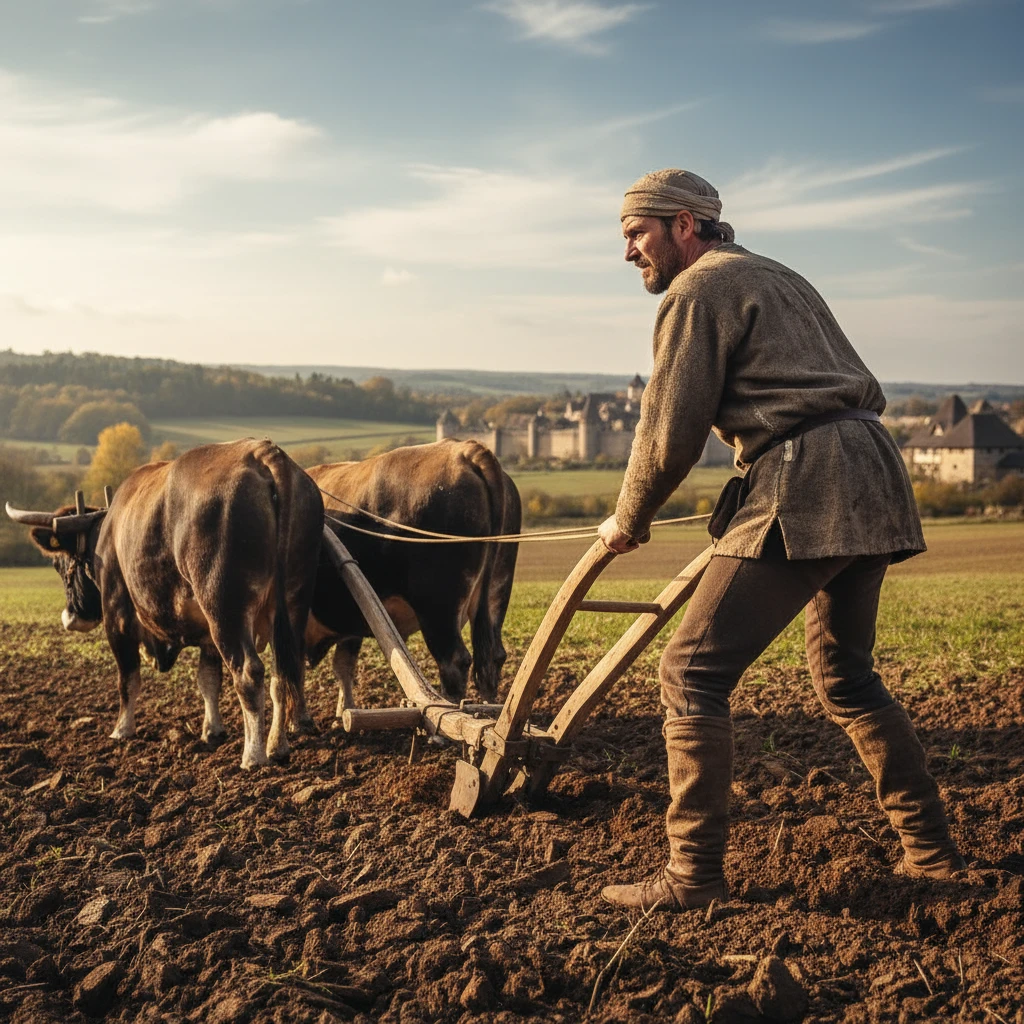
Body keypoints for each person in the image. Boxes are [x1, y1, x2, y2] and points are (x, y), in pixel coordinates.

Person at [597, 168, 965, 912]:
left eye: (636, 233)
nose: (629, 252)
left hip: (806, 477)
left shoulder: (697, 290)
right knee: (847, 678)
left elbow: (670, 426)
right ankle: (934, 854)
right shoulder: (777, 274)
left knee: (691, 670)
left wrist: (627, 517)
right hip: (870, 469)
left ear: (685, 225)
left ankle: (691, 876)